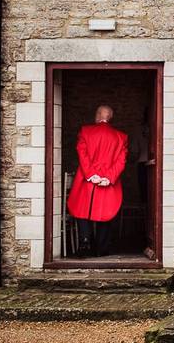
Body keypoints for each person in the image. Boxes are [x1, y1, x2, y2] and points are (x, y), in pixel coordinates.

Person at [66, 105, 128, 257]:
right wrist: (109, 177)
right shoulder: (121, 137)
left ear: (98, 115)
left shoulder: (85, 131)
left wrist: (91, 174)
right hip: (108, 182)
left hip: (86, 180)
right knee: (105, 213)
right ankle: (102, 248)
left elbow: (82, 154)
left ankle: (85, 245)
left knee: (82, 211)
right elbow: (121, 161)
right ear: (110, 117)